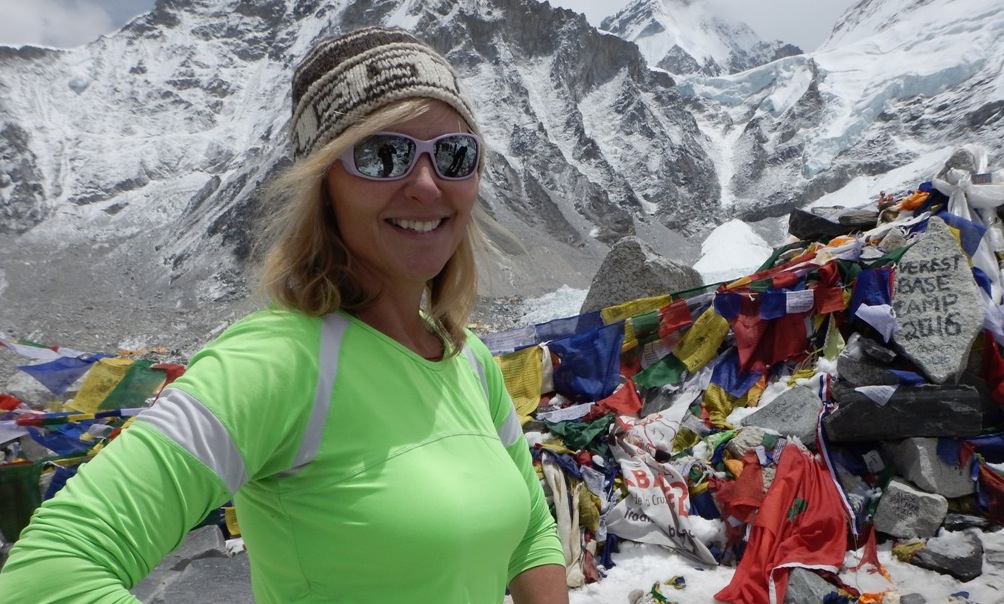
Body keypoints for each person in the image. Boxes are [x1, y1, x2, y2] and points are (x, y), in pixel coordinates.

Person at [0, 26, 568, 603]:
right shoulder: (279, 362)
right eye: (383, 155)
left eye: (453, 155)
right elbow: (49, 573)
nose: (426, 185)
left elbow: (531, 539)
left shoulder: (466, 360)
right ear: (325, 186)